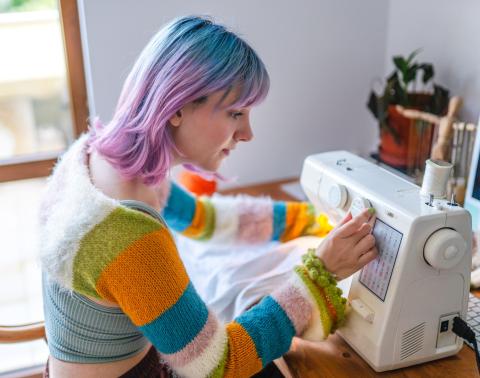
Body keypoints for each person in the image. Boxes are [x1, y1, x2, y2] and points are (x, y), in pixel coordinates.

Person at [39, 15, 378, 377]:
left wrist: (310, 219)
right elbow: (220, 364)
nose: (247, 133)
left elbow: (202, 219)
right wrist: (319, 272)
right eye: (236, 113)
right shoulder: (125, 231)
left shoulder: (99, 158)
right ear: (177, 107)